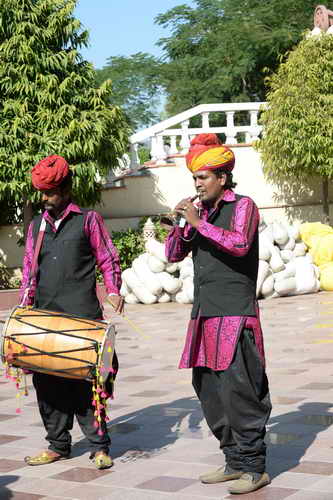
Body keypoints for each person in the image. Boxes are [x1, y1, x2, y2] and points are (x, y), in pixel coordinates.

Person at [165, 134, 272, 495]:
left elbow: (240, 244)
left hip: (236, 314)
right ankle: (233, 461)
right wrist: (182, 225)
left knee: (241, 391)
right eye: (195, 178)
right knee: (210, 391)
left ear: (222, 178)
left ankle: (255, 468)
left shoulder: (244, 206)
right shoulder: (201, 214)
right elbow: (173, 255)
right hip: (204, 314)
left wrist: (198, 223)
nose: (197, 184)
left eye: (203, 177)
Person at [19, 155, 124, 469]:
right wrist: (24, 308)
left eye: (50, 192)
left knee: (88, 384)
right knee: (47, 385)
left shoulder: (88, 220)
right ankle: (57, 445)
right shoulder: (36, 226)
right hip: (44, 318)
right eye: (42, 192)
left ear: (65, 188)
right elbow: (28, 271)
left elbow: (108, 257)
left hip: (82, 317)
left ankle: (99, 446)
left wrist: (114, 289)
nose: (44, 198)